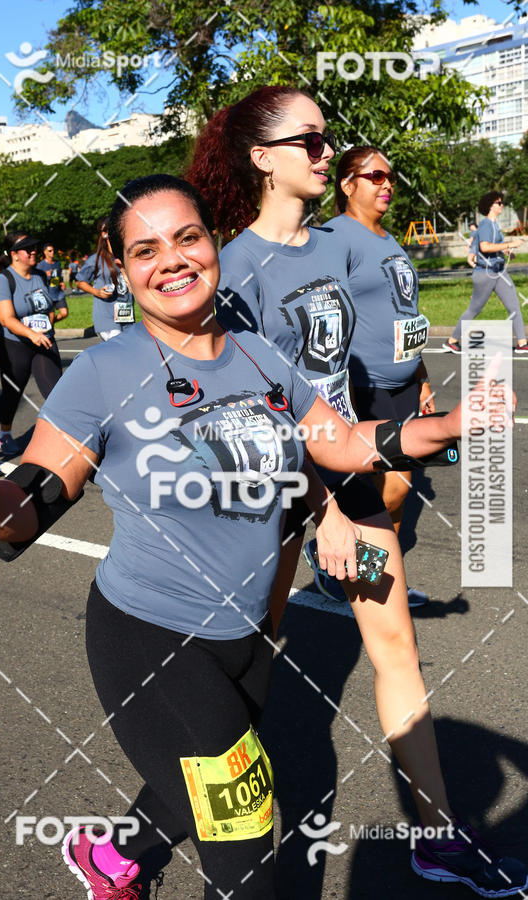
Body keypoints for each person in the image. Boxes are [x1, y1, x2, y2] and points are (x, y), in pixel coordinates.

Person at [0, 174, 512, 900]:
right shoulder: (105, 373)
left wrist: (451, 426)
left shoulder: (261, 358)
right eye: (145, 249)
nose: (169, 260)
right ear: (120, 267)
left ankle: (109, 855)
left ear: (212, 243)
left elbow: (340, 443)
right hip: (150, 639)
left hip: (248, 640)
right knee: (243, 832)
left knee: (187, 786)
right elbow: (31, 511)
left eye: (186, 237)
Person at [186, 88, 527, 898]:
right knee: (240, 673)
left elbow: (343, 374)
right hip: (272, 497)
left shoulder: (332, 250)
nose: (326, 151)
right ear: (262, 157)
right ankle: (132, 838)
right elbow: (249, 412)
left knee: (396, 648)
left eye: (327, 137)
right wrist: (321, 508)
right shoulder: (231, 272)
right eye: (309, 140)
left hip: (351, 475)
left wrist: (422, 421)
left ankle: (439, 838)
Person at [324, 146, 433, 605]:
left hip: (406, 384)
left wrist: (422, 377)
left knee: (400, 492)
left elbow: (405, 312)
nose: (387, 184)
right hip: (364, 386)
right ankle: (341, 565)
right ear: (348, 184)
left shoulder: (389, 239)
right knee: (387, 490)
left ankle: (373, 577)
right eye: (376, 176)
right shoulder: (334, 237)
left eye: (390, 176)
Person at [0, 233, 62, 456]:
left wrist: (48, 324)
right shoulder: (5, 279)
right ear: (14, 255)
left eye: (34, 247)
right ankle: (4, 435)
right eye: (26, 248)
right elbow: (6, 319)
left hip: (44, 341)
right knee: (12, 394)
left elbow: (51, 306)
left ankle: (65, 435)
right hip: (15, 344)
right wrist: (31, 334)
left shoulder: (41, 275)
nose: (33, 251)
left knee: (56, 390)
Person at [444, 192, 527, 354]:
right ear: (491, 206)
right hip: (485, 273)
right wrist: (510, 244)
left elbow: (494, 248)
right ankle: (452, 341)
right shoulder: (486, 225)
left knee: (514, 306)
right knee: (475, 309)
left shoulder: (495, 225)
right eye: (499, 203)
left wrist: (507, 251)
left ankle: (522, 343)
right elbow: (484, 247)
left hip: (499, 271)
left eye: (502, 203)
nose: (502, 205)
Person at [76, 218, 135, 341]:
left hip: (126, 315)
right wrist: (97, 292)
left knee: (126, 356)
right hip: (107, 317)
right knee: (119, 351)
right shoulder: (96, 259)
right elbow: (80, 282)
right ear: (105, 236)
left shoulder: (128, 256)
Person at [36, 242, 68, 322]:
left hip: (58, 293)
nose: (52, 252)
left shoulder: (57, 263)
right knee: (51, 316)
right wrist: (45, 275)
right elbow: (36, 280)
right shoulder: (41, 265)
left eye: (53, 250)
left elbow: (58, 277)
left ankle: (50, 323)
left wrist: (61, 283)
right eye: (50, 251)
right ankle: (50, 325)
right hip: (48, 294)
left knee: (64, 313)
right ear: (45, 252)